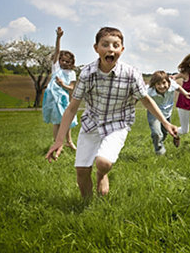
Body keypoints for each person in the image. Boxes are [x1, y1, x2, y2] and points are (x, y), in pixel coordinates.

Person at [45, 27, 178, 198]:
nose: (110, 49)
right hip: (92, 122)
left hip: (118, 124)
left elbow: (146, 100)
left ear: (121, 50)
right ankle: (86, 205)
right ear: (96, 48)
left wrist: (166, 123)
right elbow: (72, 107)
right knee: (81, 171)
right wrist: (59, 140)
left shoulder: (131, 74)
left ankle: (102, 174)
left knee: (103, 162)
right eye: (105, 45)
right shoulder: (87, 73)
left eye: (116, 45)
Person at [42, 27, 78, 150]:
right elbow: (57, 52)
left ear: (71, 62)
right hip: (54, 99)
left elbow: (71, 88)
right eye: (62, 60)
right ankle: (57, 143)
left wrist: (63, 84)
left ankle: (69, 141)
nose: (64, 63)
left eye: (68, 61)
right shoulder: (56, 69)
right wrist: (58, 38)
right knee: (57, 121)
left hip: (64, 98)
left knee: (67, 120)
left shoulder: (72, 73)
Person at [147, 70, 190, 155]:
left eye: (164, 83)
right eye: (158, 84)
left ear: (168, 82)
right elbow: (139, 96)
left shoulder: (172, 84)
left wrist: (186, 93)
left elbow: (178, 88)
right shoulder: (149, 90)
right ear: (154, 85)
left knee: (164, 133)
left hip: (167, 113)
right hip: (154, 114)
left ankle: (168, 139)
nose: (162, 86)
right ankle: (160, 152)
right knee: (156, 133)